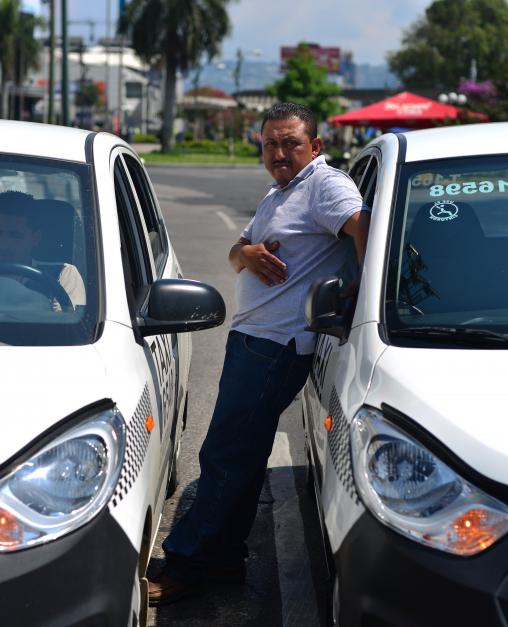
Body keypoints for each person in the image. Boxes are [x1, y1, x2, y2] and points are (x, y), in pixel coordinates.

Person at [147, 102, 370, 604]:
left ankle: (186, 565)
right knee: (241, 458)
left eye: (291, 142)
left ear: (315, 146)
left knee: (225, 456)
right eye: (270, 142)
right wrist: (245, 254)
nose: (279, 152)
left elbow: (365, 228)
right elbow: (236, 253)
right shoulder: (279, 194)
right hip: (253, 340)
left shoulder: (324, 184)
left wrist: (360, 294)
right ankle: (223, 561)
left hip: (277, 346)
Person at [0, 190, 85, 307]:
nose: (4, 244)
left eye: (16, 236)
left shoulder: (62, 274)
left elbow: (67, 321)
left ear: (35, 238)